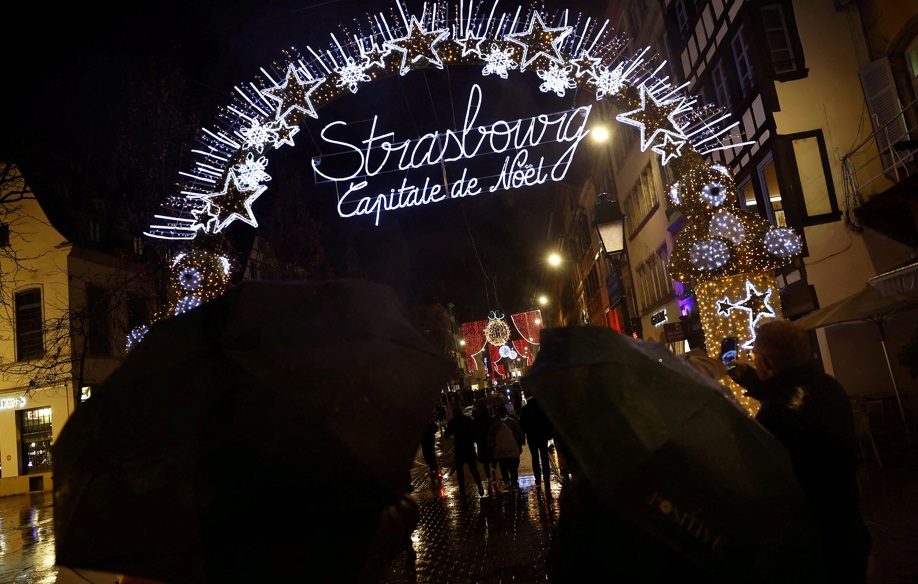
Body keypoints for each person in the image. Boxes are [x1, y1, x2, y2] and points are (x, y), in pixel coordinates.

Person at [728, 319, 872, 584]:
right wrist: (750, 378)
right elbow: (791, 391)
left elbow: (773, 486)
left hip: (813, 547)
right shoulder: (828, 386)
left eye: (755, 355)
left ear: (767, 363)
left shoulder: (777, 415)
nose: (753, 359)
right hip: (847, 529)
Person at [443, 405, 486, 497]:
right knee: (473, 468)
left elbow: (446, 435)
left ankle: (463, 491)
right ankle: (480, 486)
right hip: (469, 446)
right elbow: (475, 431)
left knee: (460, 471)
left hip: (459, 448)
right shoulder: (467, 420)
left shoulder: (452, 422)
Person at [519, 386, 553, 492]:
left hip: (531, 436)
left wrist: (523, 437)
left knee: (535, 457)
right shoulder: (541, 407)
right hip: (542, 435)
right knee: (544, 456)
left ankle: (538, 479)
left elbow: (522, 425)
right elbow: (548, 421)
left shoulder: (525, 409)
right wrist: (549, 433)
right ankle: (546, 477)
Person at [487, 405, 525, 490]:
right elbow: (520, 435)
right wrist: (520, 444)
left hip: (500, 451)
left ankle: (506, 481)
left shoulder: (494, 425)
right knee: (513, 467)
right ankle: (514, 482)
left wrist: (492, 449)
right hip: (513, 449)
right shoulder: (513, 422)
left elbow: (490, 438)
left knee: (503, 466)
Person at [472, 403, 499, 486]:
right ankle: (493, 468)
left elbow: (474, 433)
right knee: (493, 457)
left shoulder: (476, 421)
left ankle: (488, 477)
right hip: (490, 441)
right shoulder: (490, 420)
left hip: (481, 442)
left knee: (485, 461)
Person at [421, 414, 441, 483]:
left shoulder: (424, 423)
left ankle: (434, 470)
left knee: (427, 456)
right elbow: (436, 427)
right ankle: (434, 470)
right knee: (431, 455)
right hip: (430, 440)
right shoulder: (430, 422)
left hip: (425, 441)